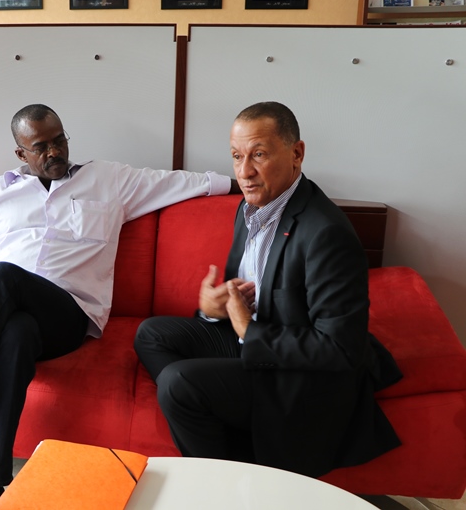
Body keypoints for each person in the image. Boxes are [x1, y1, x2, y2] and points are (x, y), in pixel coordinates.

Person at [0, 103, 238, 509]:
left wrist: (248, 181)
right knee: (14, 332)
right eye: (41, 147)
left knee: (1, 274)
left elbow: (185, 182)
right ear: (20, 153)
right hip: (6, 317)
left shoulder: (109, 180)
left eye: (59, 141)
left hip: (67, 316)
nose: (54, 152)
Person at [134, 102, 403, 479]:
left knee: (179, 383)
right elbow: (246, 294)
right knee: (151, 334)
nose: (244, 172)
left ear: (296, 154)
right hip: (258, 346)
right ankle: (222, 430)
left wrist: (248, 329)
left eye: (259, 154)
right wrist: (214, 309)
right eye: (236, 156)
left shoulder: (326, 233)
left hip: (299, 376)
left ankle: (223, 482)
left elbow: (341, 349)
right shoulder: (251, 209)